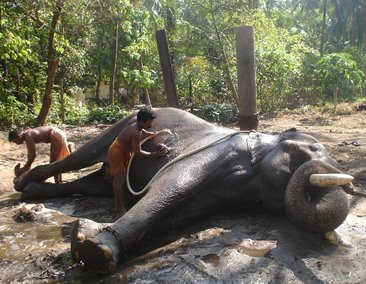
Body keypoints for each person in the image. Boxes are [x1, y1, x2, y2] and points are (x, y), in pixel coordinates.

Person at [108, 107, 171, 213]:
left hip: (120, 150)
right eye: (149, 122)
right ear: (142, 121)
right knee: (119, 180)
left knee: (117, 179)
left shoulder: (138, 126)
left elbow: (144, 132)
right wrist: (155, 154)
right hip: (116, 152)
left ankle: (116, 205)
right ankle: (120, 207)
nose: (150, 125)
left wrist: (156, 133)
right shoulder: (135, 132)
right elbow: (138, 152)